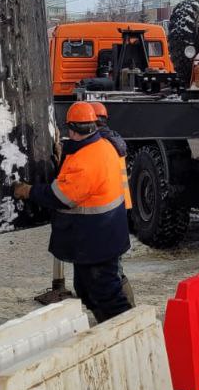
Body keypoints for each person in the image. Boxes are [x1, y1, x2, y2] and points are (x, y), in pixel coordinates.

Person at [13, 101, 131, 322]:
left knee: (106, 294)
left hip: (97, 240)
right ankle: (109, 327)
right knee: (86, 289)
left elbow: (62, 197)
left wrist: (28, 191)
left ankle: (128, 334)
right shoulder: (102, 145)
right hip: (97, 238)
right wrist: (62, 155)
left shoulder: (86, 161)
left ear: (71, 129)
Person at [92, 101, 134, 306]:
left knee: (112, 266)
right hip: (119, 205)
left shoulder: (100, 144)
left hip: (108, 208)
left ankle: (126, 310)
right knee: (115, 262)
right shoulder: (114, 140)